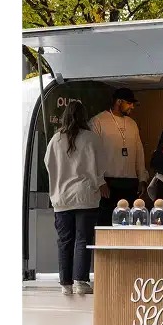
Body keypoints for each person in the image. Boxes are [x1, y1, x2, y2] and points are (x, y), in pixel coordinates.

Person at [44, 101, 108, 296]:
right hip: (86, 196)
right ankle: (81, 281)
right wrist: (100, 183)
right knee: (83, 239)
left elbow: (48, 165)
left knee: (65, 240)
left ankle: (65, 283)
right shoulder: (91, 139)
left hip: (61, 197)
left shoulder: (55, 140)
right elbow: (100, 166)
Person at [91, 88, 147, 226]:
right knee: (106, 224)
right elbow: (91, 154)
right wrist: (100, 181)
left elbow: (139, 152)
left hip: (131, 182)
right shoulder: (98, 121)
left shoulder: (132, 124)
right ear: (119, 102)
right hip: (108, 184)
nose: (132, 106)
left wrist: (142, 179)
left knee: (131, 224)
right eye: (129, 103)